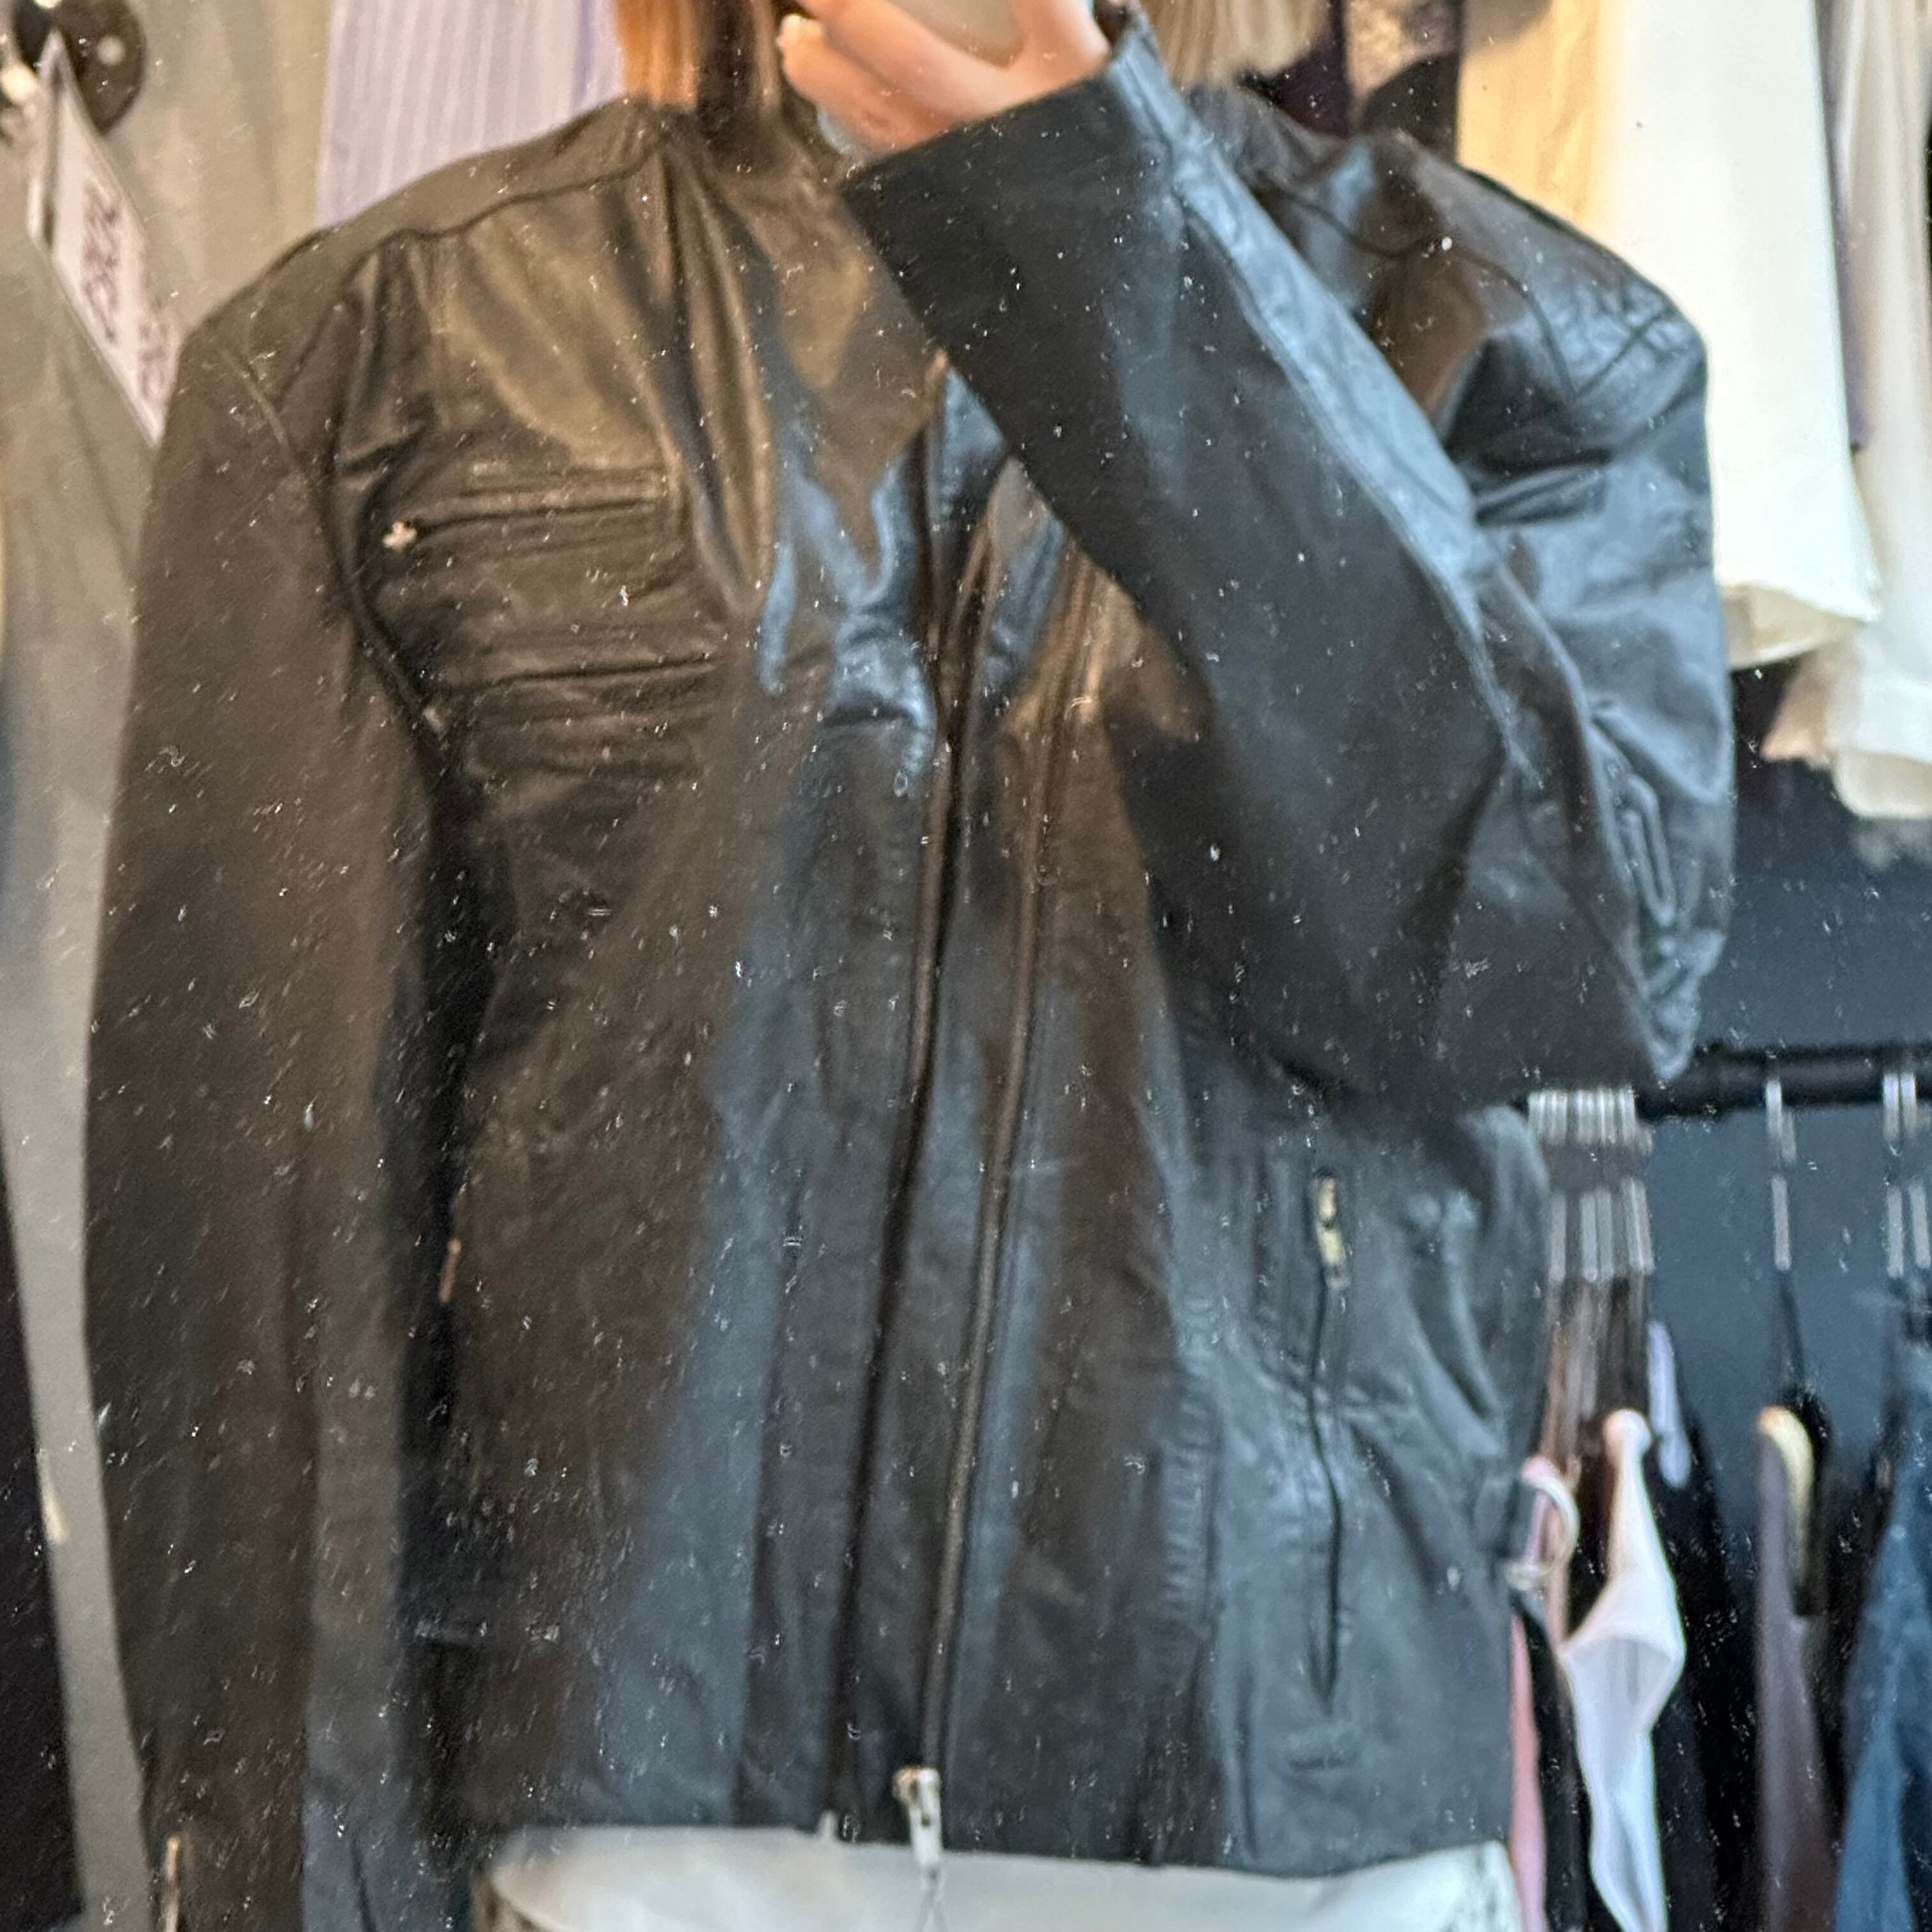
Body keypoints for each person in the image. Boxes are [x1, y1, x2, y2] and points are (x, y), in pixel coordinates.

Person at [85, 3, 1733, 1931]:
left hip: (1279, 1833)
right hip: (658, 1849)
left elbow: (1548, 962)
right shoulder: (389, 353)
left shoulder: (1511, 342)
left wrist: (1101, 229)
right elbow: (269, 1268)